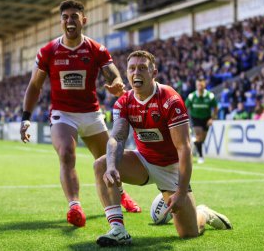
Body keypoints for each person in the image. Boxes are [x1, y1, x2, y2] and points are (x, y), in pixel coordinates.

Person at [19, 0, 141, 228]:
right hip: (63, 114)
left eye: (74, 16)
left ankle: (122, 195)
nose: (69, 21)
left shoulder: (96, 49)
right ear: (61, 22)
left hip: (92, 113)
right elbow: (34, 86)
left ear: (83, 20)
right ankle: (74, 206)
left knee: (109, 160)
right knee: (66, 153)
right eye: (65, 17)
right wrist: (26, 118)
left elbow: (112, 73)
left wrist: (116, 84)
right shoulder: (48, 51)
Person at [93, 50, 232, 247]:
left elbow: (184, 148)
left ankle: (203, 212)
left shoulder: (170, 99)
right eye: (132, 68)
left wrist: (182, 192)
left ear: (154, 73)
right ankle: (118, 229)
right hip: (143, 161)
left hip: (170, 168)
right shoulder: (124, 102)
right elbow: (117, 136)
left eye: (142, 68)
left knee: (189, 233)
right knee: (101, 165)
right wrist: (112, 166)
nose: (136, 73)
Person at [184, 79, 218, 164]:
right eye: (198, 85)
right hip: (195, 119)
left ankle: (195, 142)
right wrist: (185, 119)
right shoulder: (192, 96)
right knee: (199, 136)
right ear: (196, 86)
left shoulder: (210, 96)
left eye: (201, 85)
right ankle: (201, 156)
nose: (200, 87)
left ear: (204, 85)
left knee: (203, 139)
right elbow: (184, 107)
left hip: (206, 119)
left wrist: (212, 119)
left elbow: (216, 108)